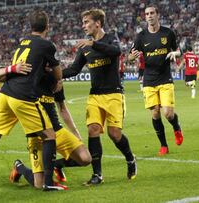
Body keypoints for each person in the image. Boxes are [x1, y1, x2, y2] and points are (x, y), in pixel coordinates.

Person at [0, 10, 65, 191]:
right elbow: (58, 72)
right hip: (23, 96)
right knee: (50, 135)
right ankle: (48, 183)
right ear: (47, 27)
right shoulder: (47, 45)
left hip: (5, 95)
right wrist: (56, 78)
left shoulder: (21, 44)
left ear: (30, 27)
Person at [63, 9, 137, 185]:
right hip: (95, 95)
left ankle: (130, 158)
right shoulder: (84, 47)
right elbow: (74, 70)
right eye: (83, 22)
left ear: (98, 23)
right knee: (93, 130)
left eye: (86, 22)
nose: (84, 26)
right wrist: (53, 73)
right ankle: (97, 174)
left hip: (113, 94)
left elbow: (116, 51)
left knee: (114, 134)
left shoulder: (110, 38)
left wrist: (93, 44)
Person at [7, 72, 92, 188]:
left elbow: (62, 109)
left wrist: (76, 133)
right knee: (39, 184)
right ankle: (19, 166)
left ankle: (57, 165)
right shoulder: (30, 82)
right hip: (37, 135)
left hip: (57, 131)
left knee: (86, 159)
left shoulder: (56, 81)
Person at [128, 5, 183, 156]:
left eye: (152, 13)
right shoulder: (141, 36)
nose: (150, 16)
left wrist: (175, 53)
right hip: (149, 79)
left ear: (157, 15)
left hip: (165, 77)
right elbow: (129, 56)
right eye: (147, 14)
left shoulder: (168, 33)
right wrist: (133, 56)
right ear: (145, 17)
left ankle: (176, 127)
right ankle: (164, 145)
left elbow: (179, 50)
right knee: (155, 113)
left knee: (168, 114)